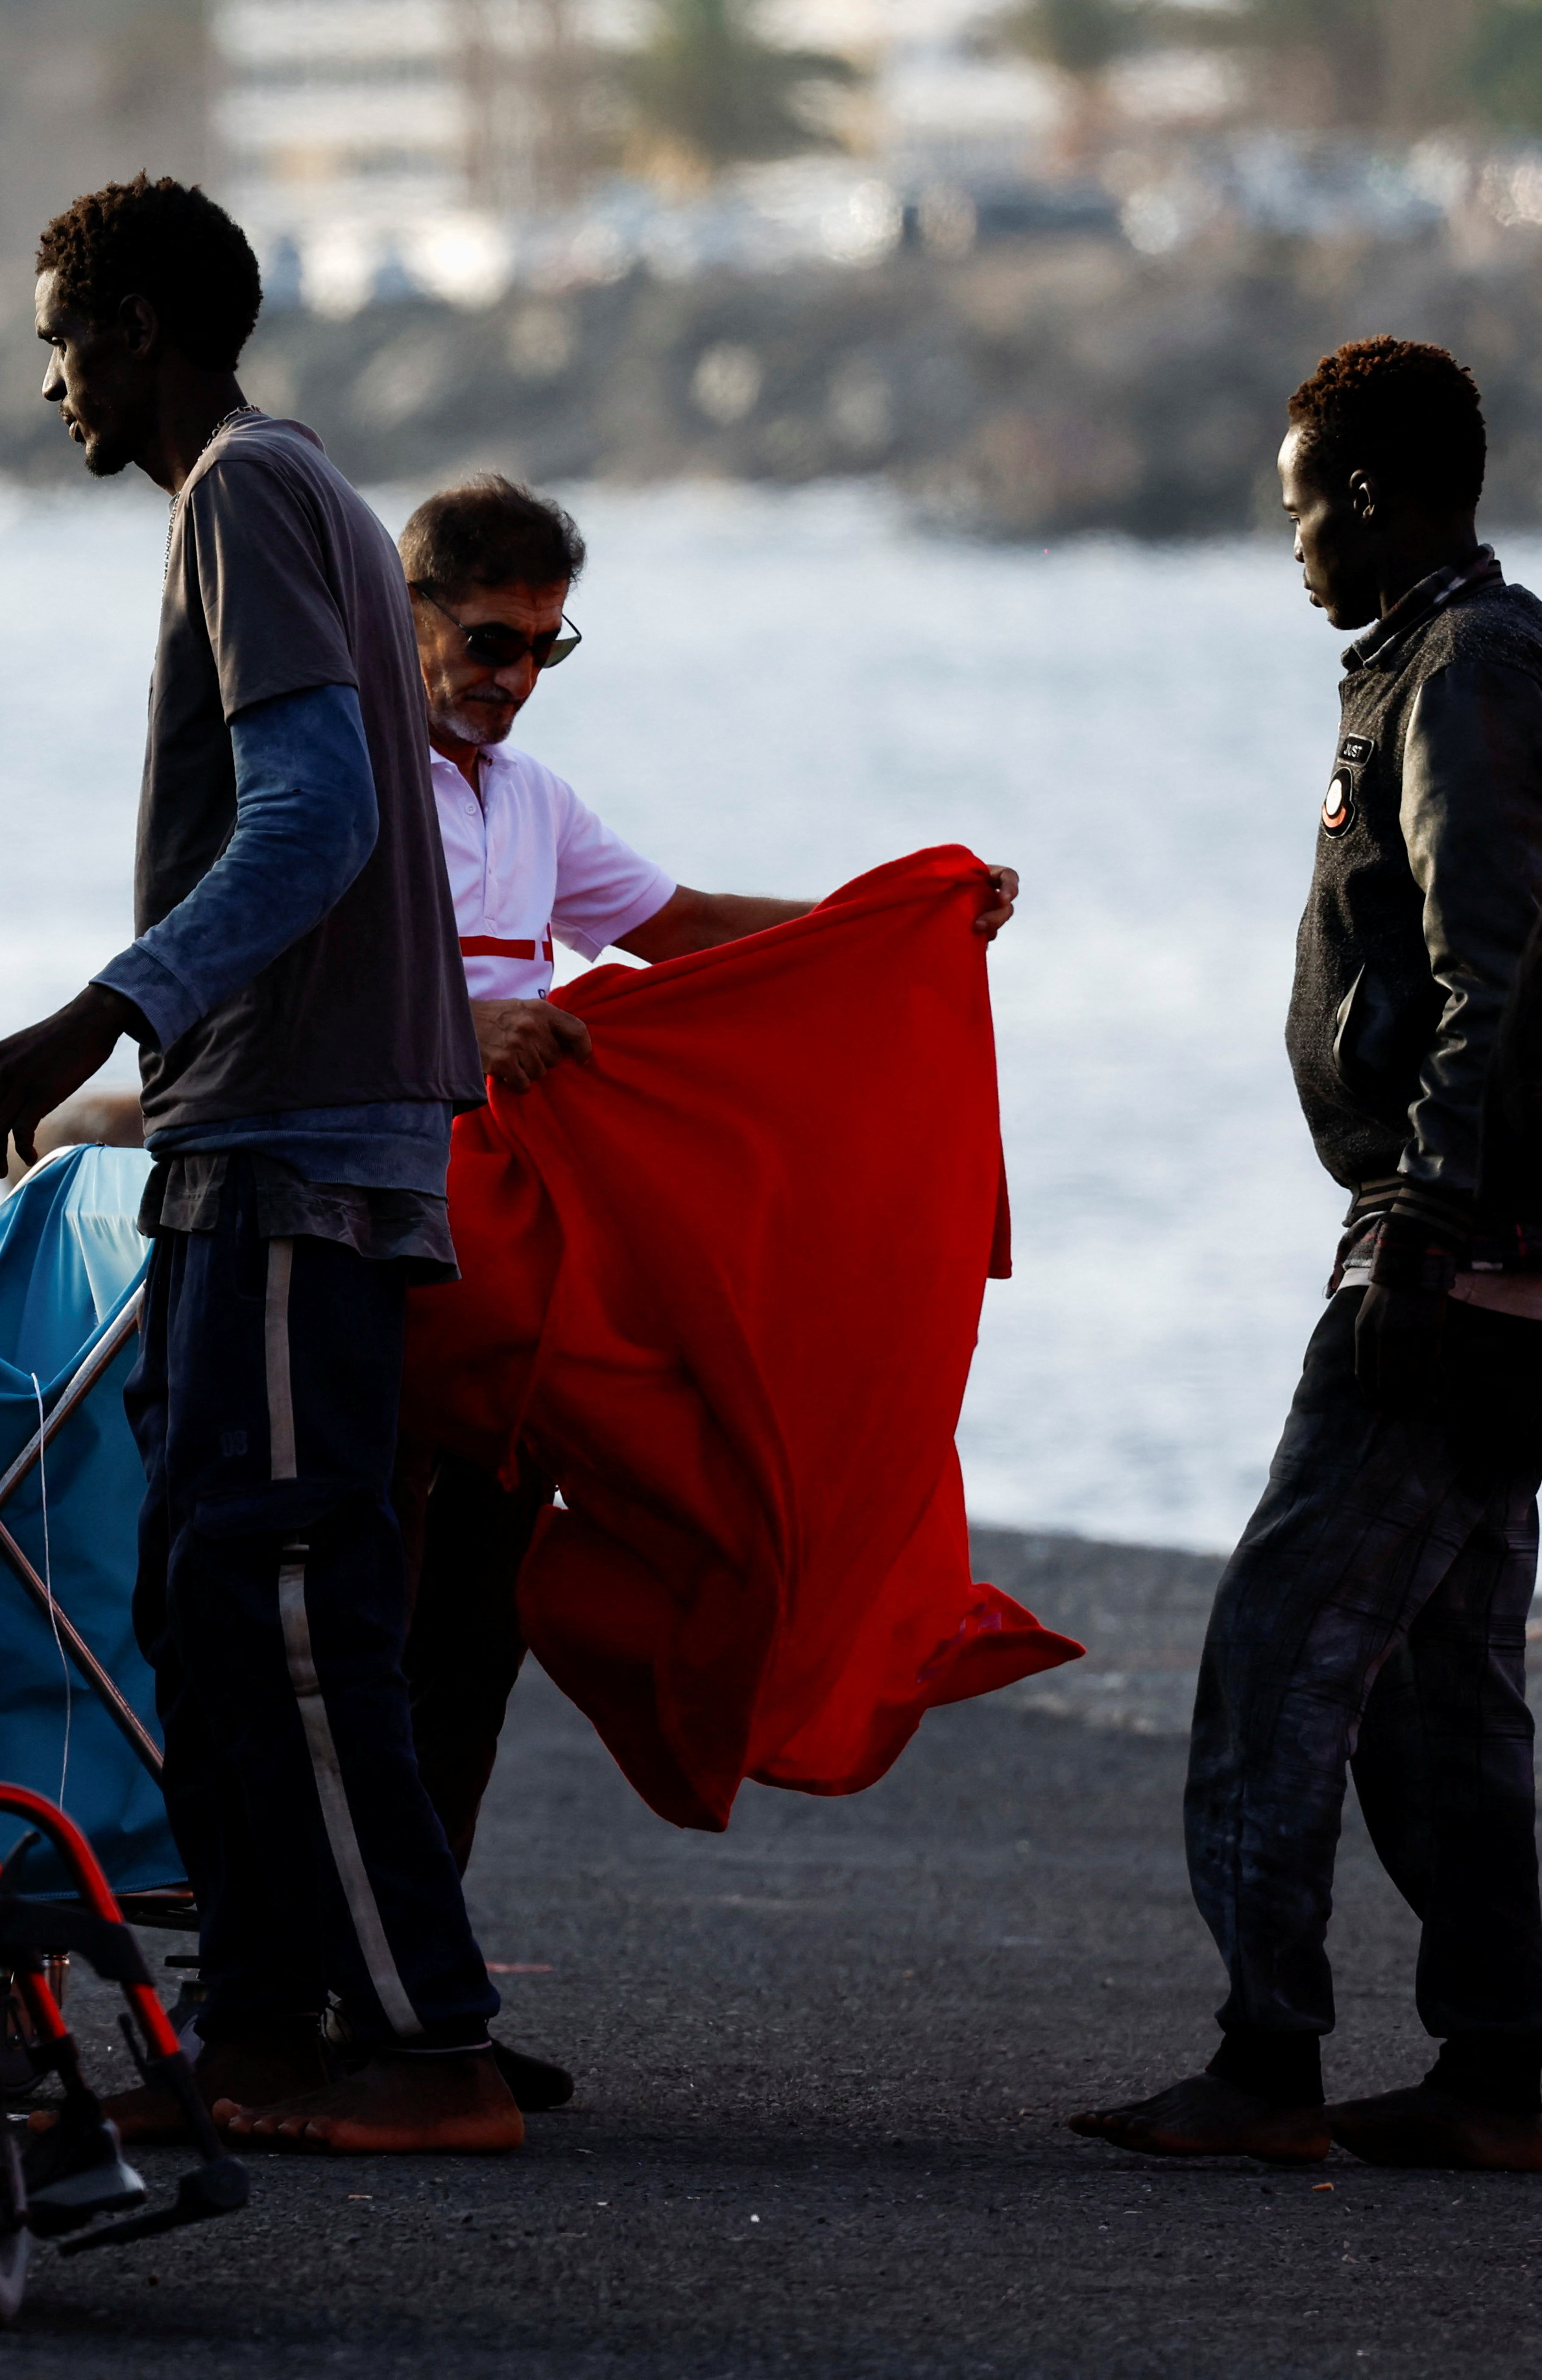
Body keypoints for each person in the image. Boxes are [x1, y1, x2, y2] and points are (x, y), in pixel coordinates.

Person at [0, 175, 516, 2155]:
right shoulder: (301, 495)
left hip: (295, 1139)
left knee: (283, 1591)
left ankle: (429, 2036)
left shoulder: (243, 495)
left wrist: (103, 1007)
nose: (48, 385)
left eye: (59, 339)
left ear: (141, 327)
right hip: (244, 1134)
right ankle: (261, 2015)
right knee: (196, 1590)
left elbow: (318, 808)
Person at [392, 476, 1017, 2111]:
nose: (511, 675)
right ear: (406, 611)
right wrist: (458, 1040)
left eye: (544, 646)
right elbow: (263, 993)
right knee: (362, 1624)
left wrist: (896, 932)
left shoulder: (529, 801)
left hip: (513, 1256)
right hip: (372, 1256)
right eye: (485, 639)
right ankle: (332, 1983)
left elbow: (675, 932)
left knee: (466, 1625)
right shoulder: (339, 782)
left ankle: (422, 1988)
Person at [1076, 339, 1542, 2172]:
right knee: (1441, 1680)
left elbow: (1499, 963)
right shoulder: (1435, 660)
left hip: (1452, 1249)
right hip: (1478, 1235)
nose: (1289, 553)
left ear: (1367, 494)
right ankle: (1503, 2068)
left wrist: (1424, 1217)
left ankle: (1262, 2056)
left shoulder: (1467, 669)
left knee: (1277, 1648)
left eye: (1297, 515)